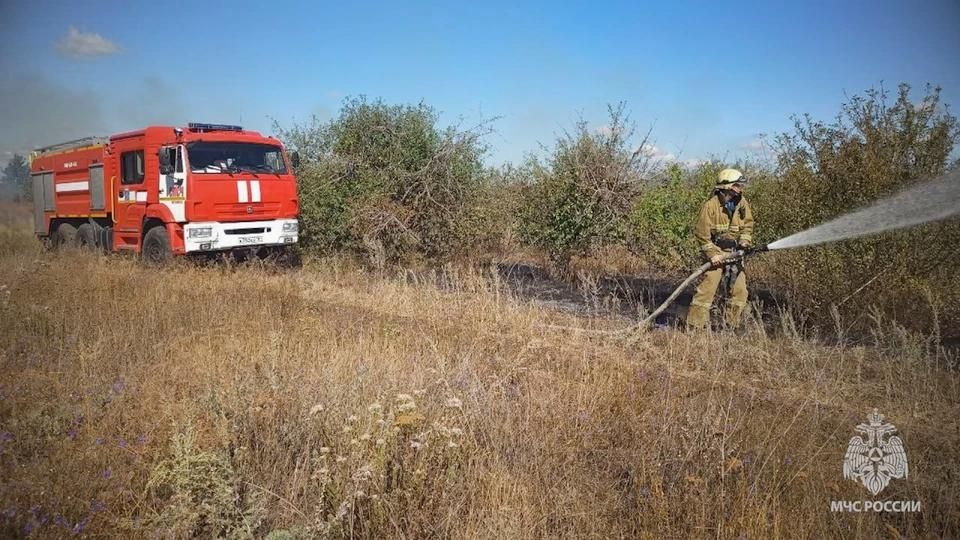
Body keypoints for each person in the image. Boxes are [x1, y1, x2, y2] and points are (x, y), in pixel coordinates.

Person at [686, 168, 754, 330]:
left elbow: (748, 225)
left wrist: (744, 242)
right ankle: (695, 326)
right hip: (716, 253)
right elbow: (702, 234)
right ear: (727, 186)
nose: (740, 188)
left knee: (739, 291)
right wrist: (712, 254)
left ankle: (732, 325)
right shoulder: (710, 206)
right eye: (737, 185)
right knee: (707, 290)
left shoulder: (742, 203)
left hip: (734, 252)